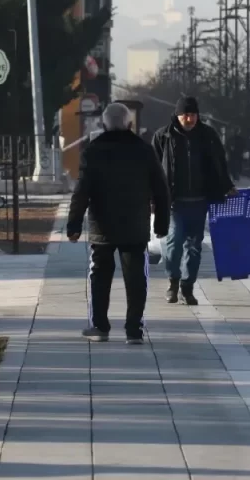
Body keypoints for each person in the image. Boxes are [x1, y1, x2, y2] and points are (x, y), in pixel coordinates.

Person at [66, 103, 170, 345]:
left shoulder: (93, 151)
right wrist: (162, 225)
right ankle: (134, 330)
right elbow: (161, 190)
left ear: (103, 125)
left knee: (99, 275)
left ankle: (100, 326)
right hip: (135, 225)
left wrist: (73, 225)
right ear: (130, 124)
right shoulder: (144, 150)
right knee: (136, 278)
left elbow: (82, 191)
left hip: (102, 226)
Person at [152, 96, 237, 305]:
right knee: (174, 243)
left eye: (192, 115)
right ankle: (173, 281)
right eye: (185, 115)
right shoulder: (163, 136)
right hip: (174, 201)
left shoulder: (208, 135)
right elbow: (152, 168)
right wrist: (152, 196)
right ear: (177, 115)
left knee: (194, 246)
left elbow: (220, 163)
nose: (189, 119)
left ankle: (187, 287)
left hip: (200, 200)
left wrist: (227, 186)